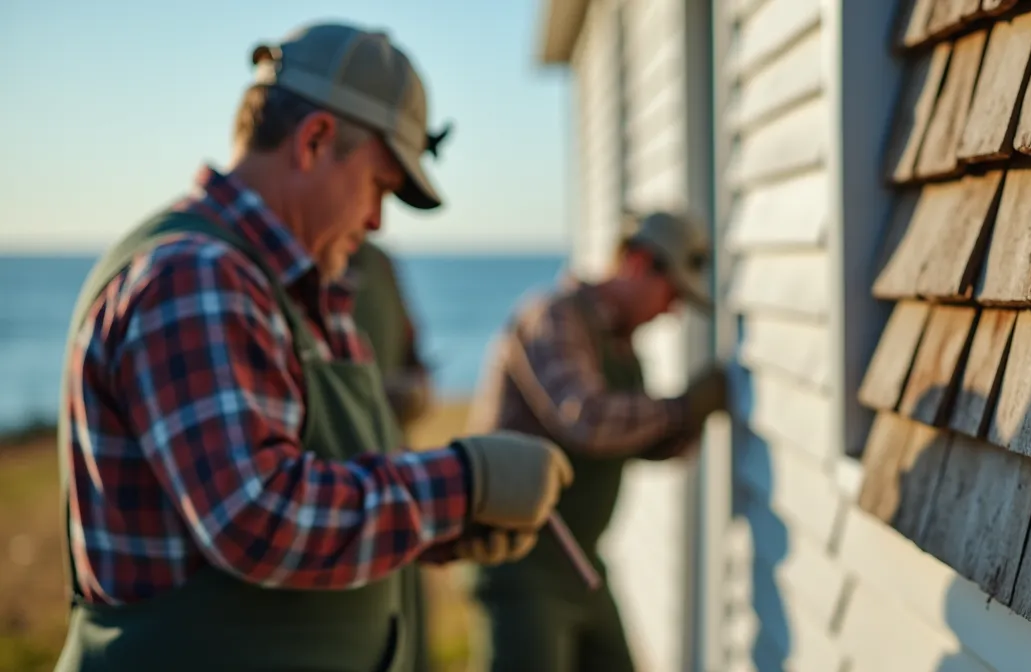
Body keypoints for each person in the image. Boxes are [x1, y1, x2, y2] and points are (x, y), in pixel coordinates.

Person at [52, 21, 573, 672]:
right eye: (380, 186)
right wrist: (466, 481)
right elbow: (258, 516)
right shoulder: (194, 277)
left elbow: (330, 486)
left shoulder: (298, 288)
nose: (379, 221)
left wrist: (445, 530)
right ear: (316, 140)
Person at [465, 210, 730, 672]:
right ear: (637, 263)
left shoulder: (623, 348)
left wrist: (686, 424)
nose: (672, 310)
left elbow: (634, 441)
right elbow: (586, 418)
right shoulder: (553, 318)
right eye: (671, 294)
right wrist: (681, 409)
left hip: (580, 562)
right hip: (522, 562)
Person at [348, 238, 439, 672]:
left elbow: (413, 350)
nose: (375, 217)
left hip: (395, 489)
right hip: (336, 509)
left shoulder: (381, 266)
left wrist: (415, 389)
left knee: (407, 640)